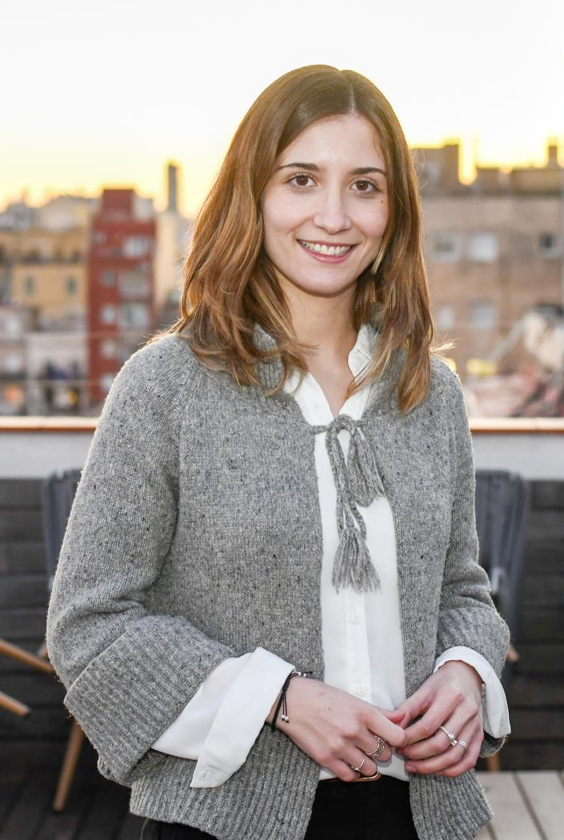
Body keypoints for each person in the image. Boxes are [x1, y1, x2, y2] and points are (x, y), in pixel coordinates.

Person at [45, 65, 511, 840]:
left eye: (365, 186)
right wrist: (280, 698)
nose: (335, 215)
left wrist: (467, 670)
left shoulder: (430, 393)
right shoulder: (166, 388)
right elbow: (89, 625)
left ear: (394, 212)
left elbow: (462, 588)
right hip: (229, 820)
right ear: (253, 195)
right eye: (302, 179)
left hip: (420, 816)